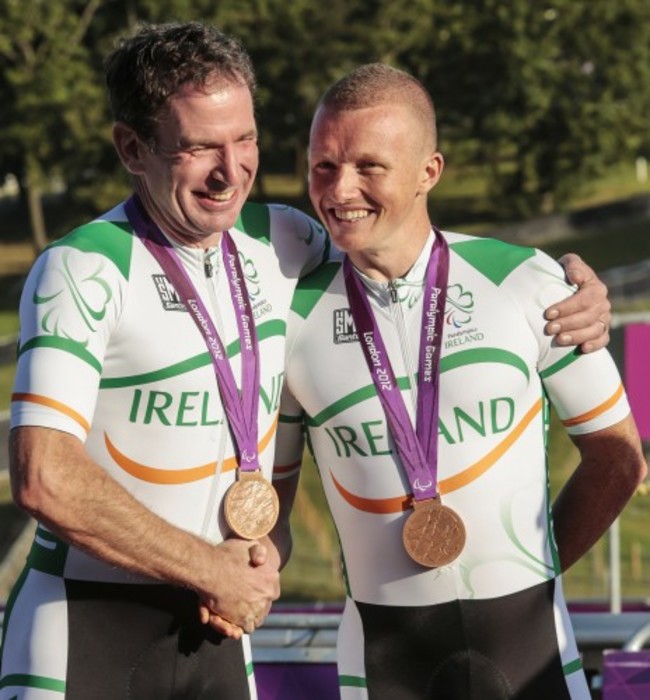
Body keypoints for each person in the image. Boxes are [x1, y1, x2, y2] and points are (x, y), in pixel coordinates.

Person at [0, 21, 610, 700]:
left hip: (222, 632)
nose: (230, 172)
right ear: (132, 148)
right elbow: (44, 478)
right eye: (200, 147)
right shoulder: (81, 268)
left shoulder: (286, 241)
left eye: (245, 140)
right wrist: (210, 568)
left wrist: (569, 286)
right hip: (86, 628)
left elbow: (405, 247)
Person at [275, 63, 648, 700]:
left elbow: (619, 459)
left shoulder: (527, 281)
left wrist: (538, 569)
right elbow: (272, 499)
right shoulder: (288, 318)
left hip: (533, 658)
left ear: (429, 172)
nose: (340, 190)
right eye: (323, 166)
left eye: (369, 166)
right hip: (381, 666)